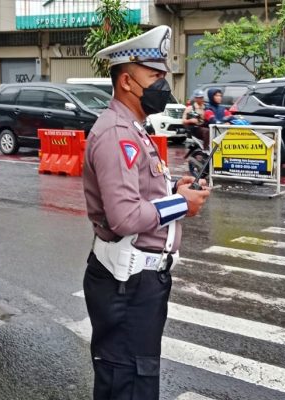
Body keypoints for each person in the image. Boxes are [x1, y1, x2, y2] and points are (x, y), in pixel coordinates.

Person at [82, 25, 211, 399]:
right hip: (127, 282)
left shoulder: (133, 129)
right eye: (154, 76)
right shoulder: (117, 134)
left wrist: (175, 190)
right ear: (126, 81)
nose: (162, 85)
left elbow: (140, 195)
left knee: (136, 378)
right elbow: (124, 217)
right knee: (127, 382)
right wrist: (182, 205)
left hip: (138, 282)